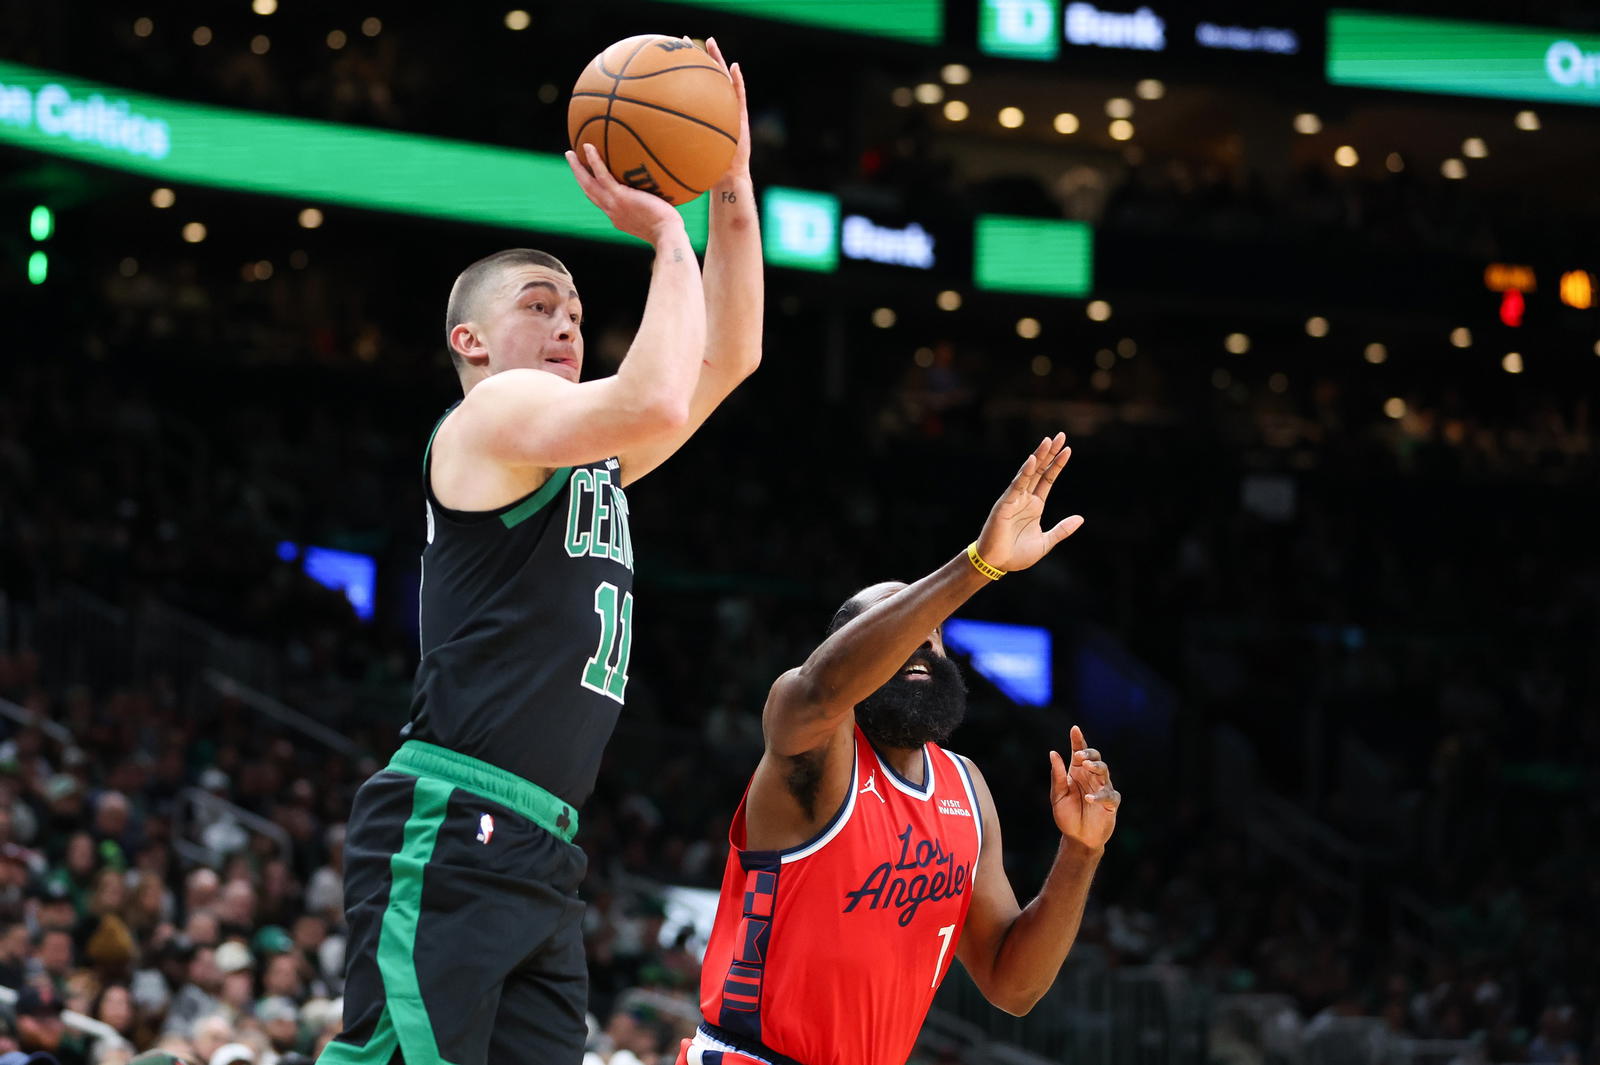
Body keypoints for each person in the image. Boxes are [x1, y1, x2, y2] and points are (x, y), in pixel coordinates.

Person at [317, 40, 761, 1065]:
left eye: (573, 312)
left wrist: (728, 185)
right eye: (537, 307)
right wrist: (662, 231)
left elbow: (726, 359)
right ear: (469, 342)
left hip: (541, 843)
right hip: (453, 816)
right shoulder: (495, 416)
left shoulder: (582, 461)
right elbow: (656, 391)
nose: (566, 325)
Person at [686, 435, 1121, 1065]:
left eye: (932, 633)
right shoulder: (811, 741)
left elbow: (1013, 986)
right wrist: (978, 565)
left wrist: (1081, 853)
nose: (921, 638)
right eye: (899, 626)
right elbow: (822, 687)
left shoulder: (965, 787)